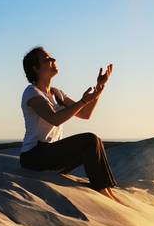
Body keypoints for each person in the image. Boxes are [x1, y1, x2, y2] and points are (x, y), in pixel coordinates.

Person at [18, 46, 121, 204]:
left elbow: (85, 114)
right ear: (36, 68)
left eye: (52, 58)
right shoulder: (32, 93)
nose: (53, 60)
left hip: (52, 155)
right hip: (34, 156)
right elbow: (54, 118)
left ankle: (107, 192)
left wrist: (99, 88)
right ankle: (102, 192)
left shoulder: (57, 93)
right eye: (47, 59)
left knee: (95, 142)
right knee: (90, 140)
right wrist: (84, 100)